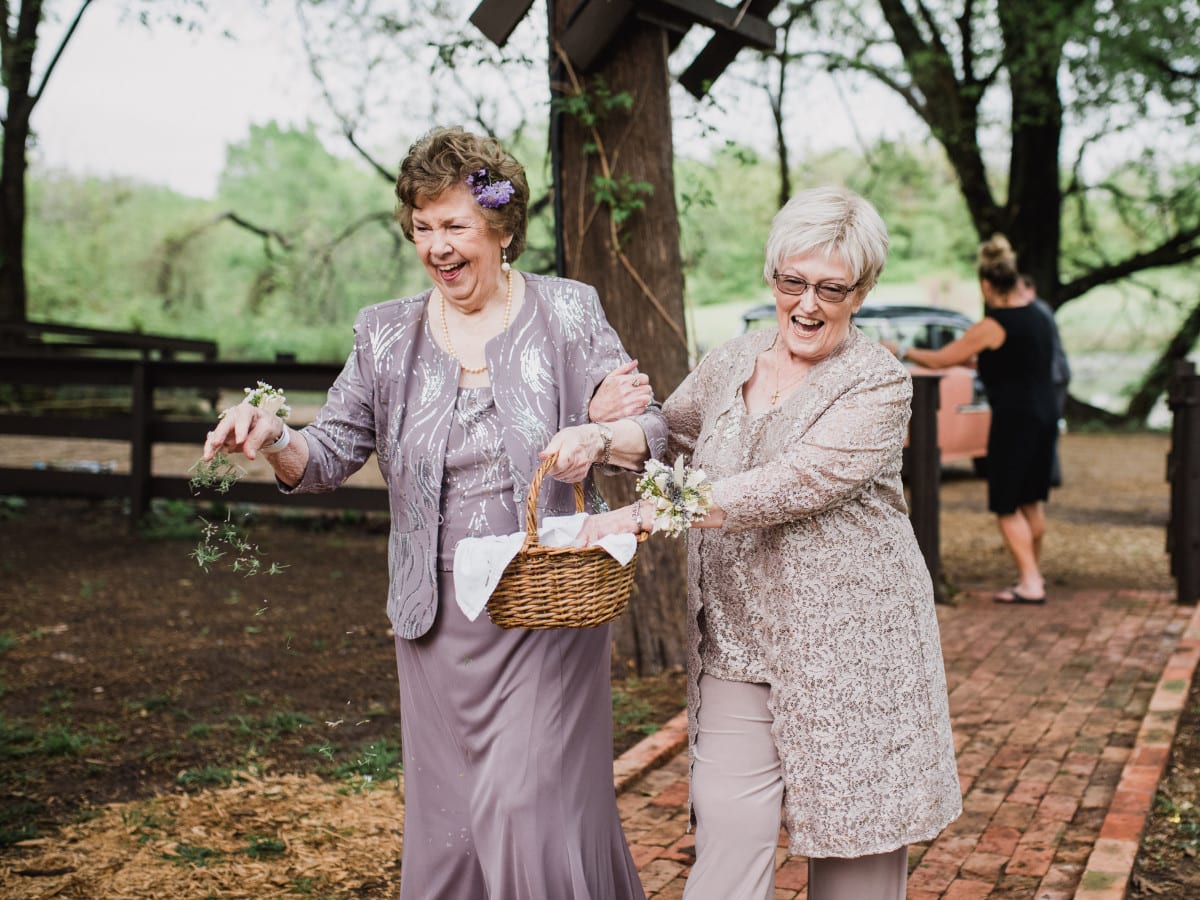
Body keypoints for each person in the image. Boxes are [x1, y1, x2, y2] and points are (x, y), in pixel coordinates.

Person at [203, 126, 665, 900]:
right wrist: (272, 437)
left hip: (543, 607)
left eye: (454, 225)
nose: (436, 245)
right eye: (422, 226)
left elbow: (649, 433)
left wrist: (599, 431)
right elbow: (326, 456)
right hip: (436, 617)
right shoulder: (384, 334)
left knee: (527, 809)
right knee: (452, 834)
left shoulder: (568, 313)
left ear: (502, 228)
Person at [579, 186, 961, 899]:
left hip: (852, 651)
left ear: (864, 289)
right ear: (772, 276)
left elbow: (791, 483)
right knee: (726, 842)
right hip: (737, 641)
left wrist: (646, 514)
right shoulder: (735, 359)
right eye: (793, 282)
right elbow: (672, 432)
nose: (807, 305)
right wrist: (606, 434)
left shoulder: (877, 384)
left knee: (857, 860)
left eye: (831, 288)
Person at [900, 237, 1058, 604]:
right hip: (1045, 414)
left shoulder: (993, 324)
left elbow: (941, 359)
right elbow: (1017, 361)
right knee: (1031, 501)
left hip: (1015, 419)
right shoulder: (1038, 316)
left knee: (1005, 503)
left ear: (986, 285)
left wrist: (902, 351)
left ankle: (1030, 582)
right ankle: (1031, 575)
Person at [1020, 273, 1071, 486]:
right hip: (1054, 373)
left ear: (1031, 290)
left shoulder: (1037, 310)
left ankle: (1049, 474)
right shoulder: (1041, 309)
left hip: (1053, 375)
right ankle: (1048, 473)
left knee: (1046, 424)